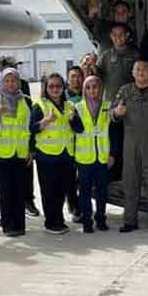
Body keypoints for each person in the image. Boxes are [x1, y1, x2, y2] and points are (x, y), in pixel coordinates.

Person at [112, 60, 148, 232]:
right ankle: (130, 221)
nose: (141, 72)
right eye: (137, 69)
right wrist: (116, 113)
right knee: (130, 181)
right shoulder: (125, 91)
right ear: (133, 73)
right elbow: (112, 114)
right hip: (130, 140)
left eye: (144, 68)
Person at [0, 67, 34, 236]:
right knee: (6, 191)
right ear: (2, 82)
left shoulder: (26, 101)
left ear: (18, 82)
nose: (10, 84)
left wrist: (31, 150)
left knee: (20, 190)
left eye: (13, 80)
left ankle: (20, 225)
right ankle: (8, 226)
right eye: (7, 81)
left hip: (21, 152)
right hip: (2, 153)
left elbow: (30, 127)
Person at [30, 72, 74, 234]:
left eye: (58, 86)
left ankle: (59, 220)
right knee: (49, 191)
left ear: (63, 88)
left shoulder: (69, 106)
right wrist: (45, 121)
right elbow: (31, 129)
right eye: (51, 86)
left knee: (61, 190)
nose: (55, 89)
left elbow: (78, 128)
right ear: (46, 88)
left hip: (65, 154)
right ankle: (51, 223)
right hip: (46, 155)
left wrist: (73, 119)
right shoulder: (40, 105)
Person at [69, 76, 113, 232]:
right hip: (84, 158)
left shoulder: (108, 106)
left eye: (95, 87)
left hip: (102, 157)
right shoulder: (77, 107)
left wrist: (111, 154)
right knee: (85, 192)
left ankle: (101, 219)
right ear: (84, 90)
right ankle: (87, 221)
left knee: (102, 192)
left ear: (100, 89)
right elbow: (76, 131)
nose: (92, 90)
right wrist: (72, 119)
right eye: (88, 87)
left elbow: (112, 133)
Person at [97, 23, 140, 180]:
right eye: (114, 35)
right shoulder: (106, 56)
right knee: (114, 144)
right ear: (110, 37)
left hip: (132, 107)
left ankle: (130, 176)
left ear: (127, 36)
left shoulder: (135, 55)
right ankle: (114, 178)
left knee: (130, 145)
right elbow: (97, 76)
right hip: (112, 108)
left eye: (121, 34)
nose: (118, 38)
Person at [64, 65, 85, 221]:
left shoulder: (88, 94)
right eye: (73, 76)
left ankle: (82, 206)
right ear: (68, 78)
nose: (76, 79)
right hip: (67, 143)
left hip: (84, 143)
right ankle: (73, 207)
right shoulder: (62, 96)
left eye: (79, 76)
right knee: (70, 178)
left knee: (83, 179)